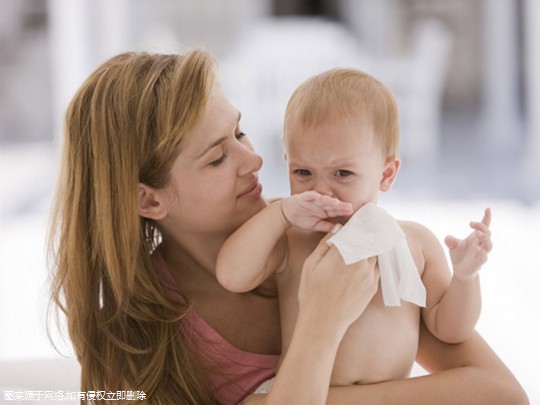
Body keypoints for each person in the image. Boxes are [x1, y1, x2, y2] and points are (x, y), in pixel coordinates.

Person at [48, 49, 528, 404]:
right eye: (218, 157)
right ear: (147, 198)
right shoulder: (130, 337)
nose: (255, 159)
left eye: (239, 131)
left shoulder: (340, 242)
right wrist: (320, 323)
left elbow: (500, 392)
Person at [216, 68, 494, 386]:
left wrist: (466, 277)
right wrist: (281, 214)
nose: (320, 190)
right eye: (303, 171)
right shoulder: (292, 239)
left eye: (342, 174)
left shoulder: (415, 243)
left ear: (386, 174)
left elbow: (450, 330)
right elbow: (231, 275)